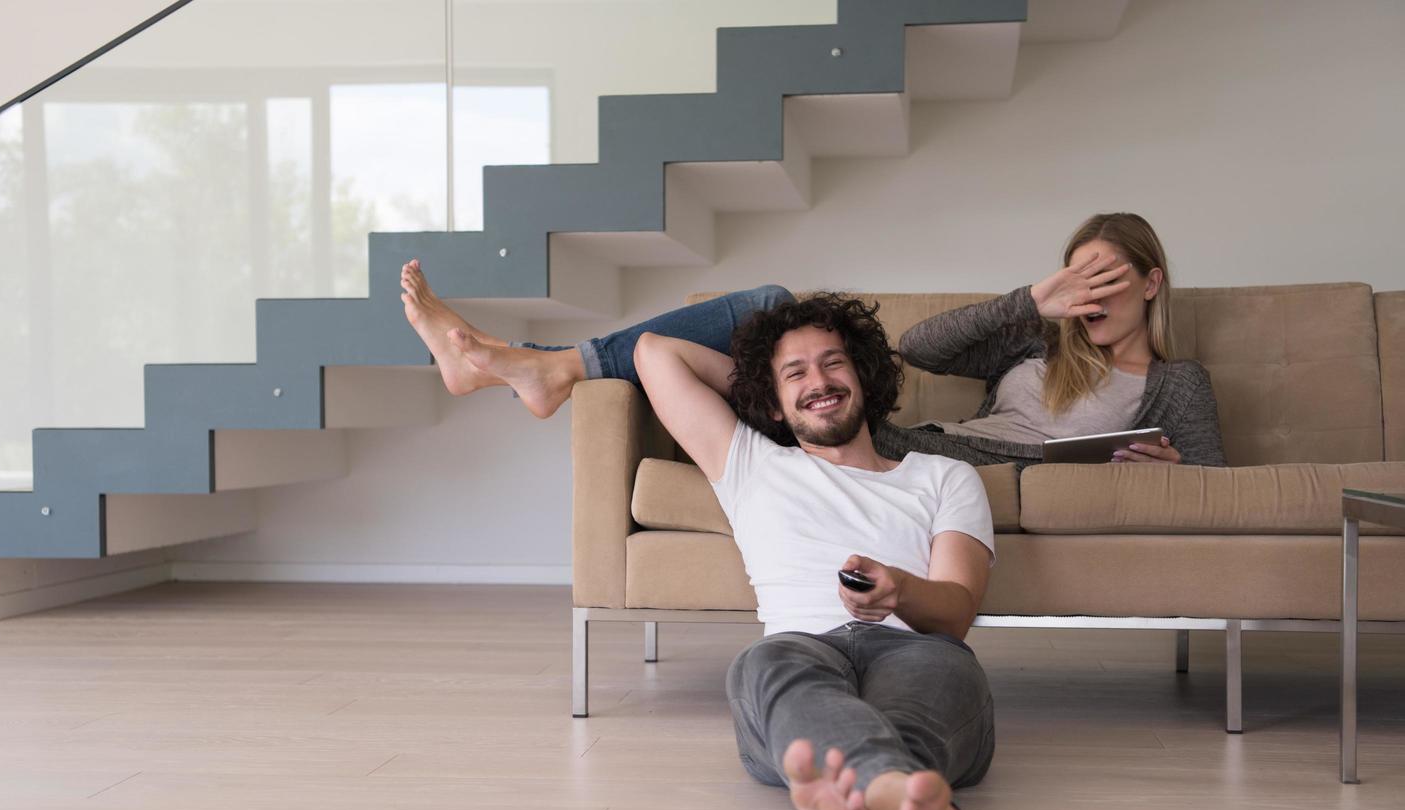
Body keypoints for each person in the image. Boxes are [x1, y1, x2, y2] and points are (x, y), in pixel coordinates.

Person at [633, 292, 996, 810]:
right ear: (770, 400)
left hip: (919, 648)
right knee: (764, 665)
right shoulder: (748, 461)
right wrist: (760, 388)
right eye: (796, 374)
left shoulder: (943, 476)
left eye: (835, 365)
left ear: (865, 375)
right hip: (801, 647)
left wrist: (899, 592)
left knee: (929, 686)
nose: (820, 383)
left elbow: (958, 611)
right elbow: (652, 352)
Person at [399, 212, 1225, 467]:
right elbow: (924, 348)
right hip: (895, 440)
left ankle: (542, 370)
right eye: (1075, 280)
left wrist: (1173, 475)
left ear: (1151, 283)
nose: (1090, 298)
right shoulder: (1031, 346)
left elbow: (1218, 487)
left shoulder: (1175, 384)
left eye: (1108, 279)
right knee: (766, 303)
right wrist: (1032, 302)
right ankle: (551, 369)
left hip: (918, 465)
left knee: (743, 317)